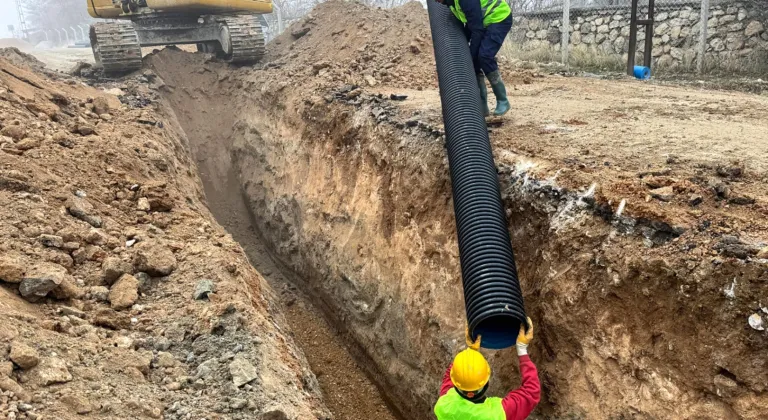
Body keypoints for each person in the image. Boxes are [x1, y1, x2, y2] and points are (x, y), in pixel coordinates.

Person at [434, 318, 540, 419]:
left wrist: (471, 352)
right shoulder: (495, 415)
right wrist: (521, 349)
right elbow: (531, 393)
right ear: (486, 382)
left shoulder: (444, 405)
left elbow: (453, 375)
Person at [436, 0, 514, 116]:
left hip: (498, 18)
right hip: (483, 22)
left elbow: (477, 29)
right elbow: (470, 23)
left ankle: (502, 100)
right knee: (475, 59)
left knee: (484, 56)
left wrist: (470, 57)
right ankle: (482, 105)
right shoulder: (451, 4)